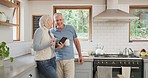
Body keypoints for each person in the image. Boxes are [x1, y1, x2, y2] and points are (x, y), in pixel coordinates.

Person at [50, 13, 84, 78]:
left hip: (69, 59)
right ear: (54, 21)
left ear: (63, 19)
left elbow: (76, 41)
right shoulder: (51, 31)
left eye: (60, 20)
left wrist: (80, 55)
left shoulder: (70, 28)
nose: (59, 22)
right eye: (57, 20)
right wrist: (57, 46)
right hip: (57, 60)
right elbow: (51, 47)